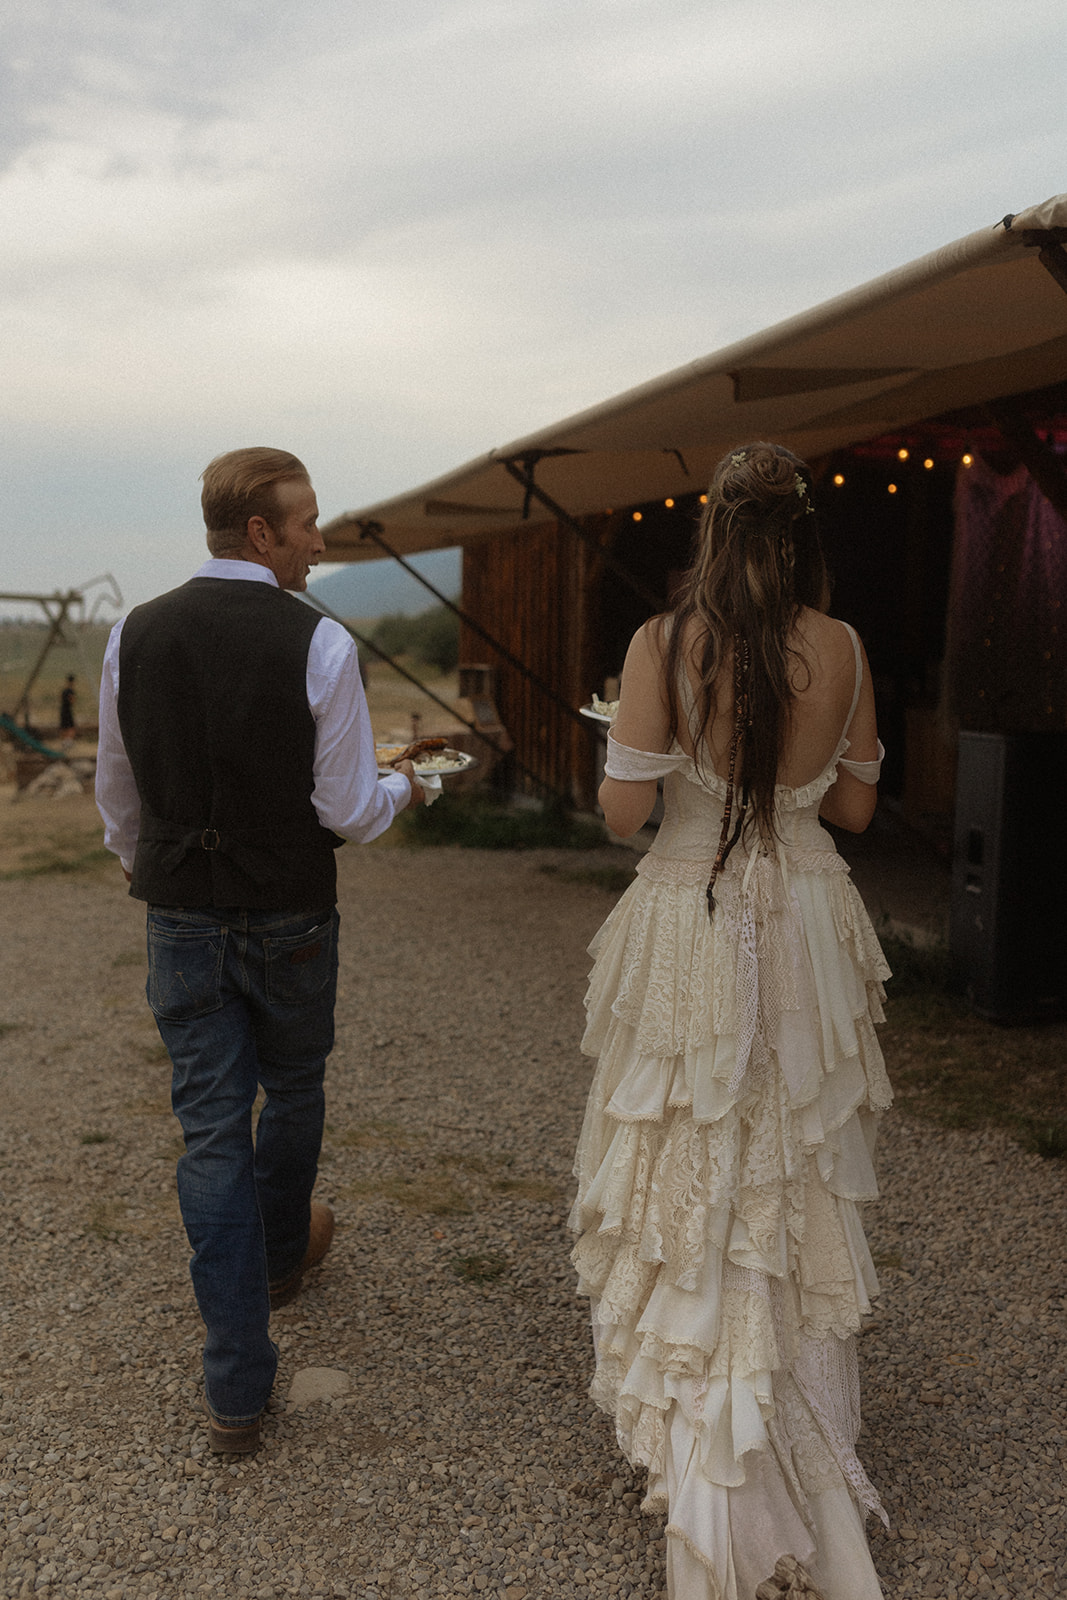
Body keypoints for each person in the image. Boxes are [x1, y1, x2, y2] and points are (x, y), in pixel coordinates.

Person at [569, 443, 891, 1600]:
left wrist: (627, 733)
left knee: (689, 1155)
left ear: (709, 529)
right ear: (801, 536)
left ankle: (706, 1419)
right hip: (803, 917)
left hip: (691, 914)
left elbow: (620, 813)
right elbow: (851, 807)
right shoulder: (844, 646)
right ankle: (797, 1409)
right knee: (791, 1162)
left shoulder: (663, 643)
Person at [95, 447, 425, 1455]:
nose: (320, 540)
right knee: (292, 1088)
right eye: (308, 522)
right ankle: (283, 1254)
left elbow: (121, 789)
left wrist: (137, 864)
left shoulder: (133, 631)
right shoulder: (318, 643)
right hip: (288, 914)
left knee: (207, 1136)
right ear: (260, 533)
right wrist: (416, 787)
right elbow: (347, 810)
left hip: (180, 917)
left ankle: (236, 1388)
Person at [59, 674, 77, 743]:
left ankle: (64, 740)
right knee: (71, 726)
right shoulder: (70, 691)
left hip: (63, 709)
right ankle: (68, 740)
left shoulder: (64, 690)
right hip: (68, 710)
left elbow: (60, 698)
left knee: (64, 726)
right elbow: (72, 700)